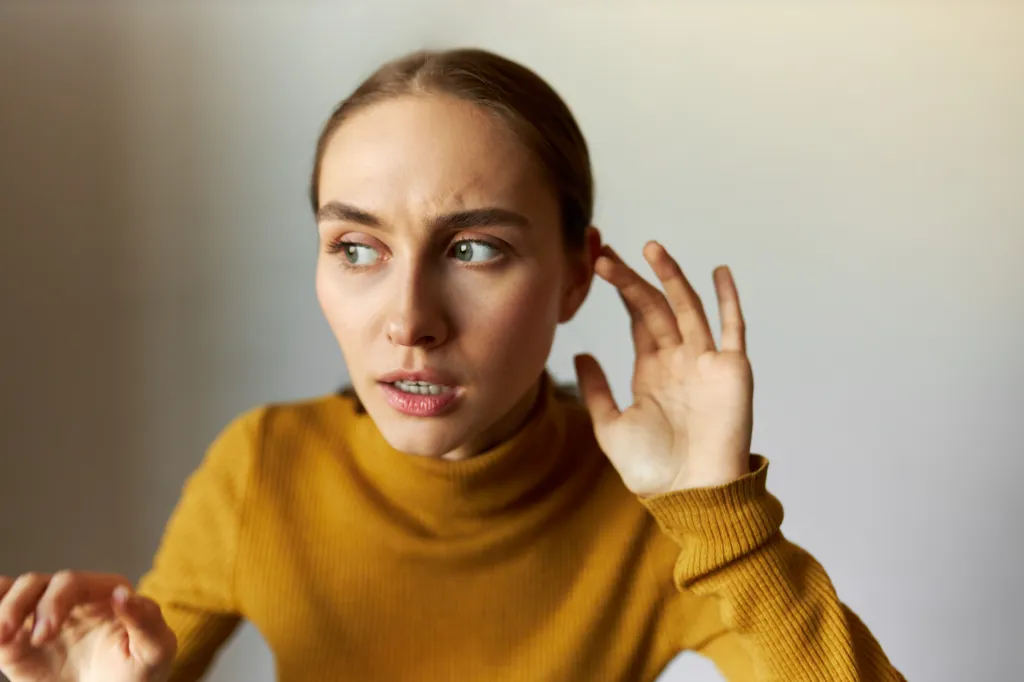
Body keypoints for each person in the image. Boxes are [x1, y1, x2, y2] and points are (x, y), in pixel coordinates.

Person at [0, 48, 904, 682]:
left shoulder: (661, 517)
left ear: (575, 277)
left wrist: (719, 514)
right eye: (356, 248)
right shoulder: (261, 471)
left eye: (473, 250)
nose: (409, 322)